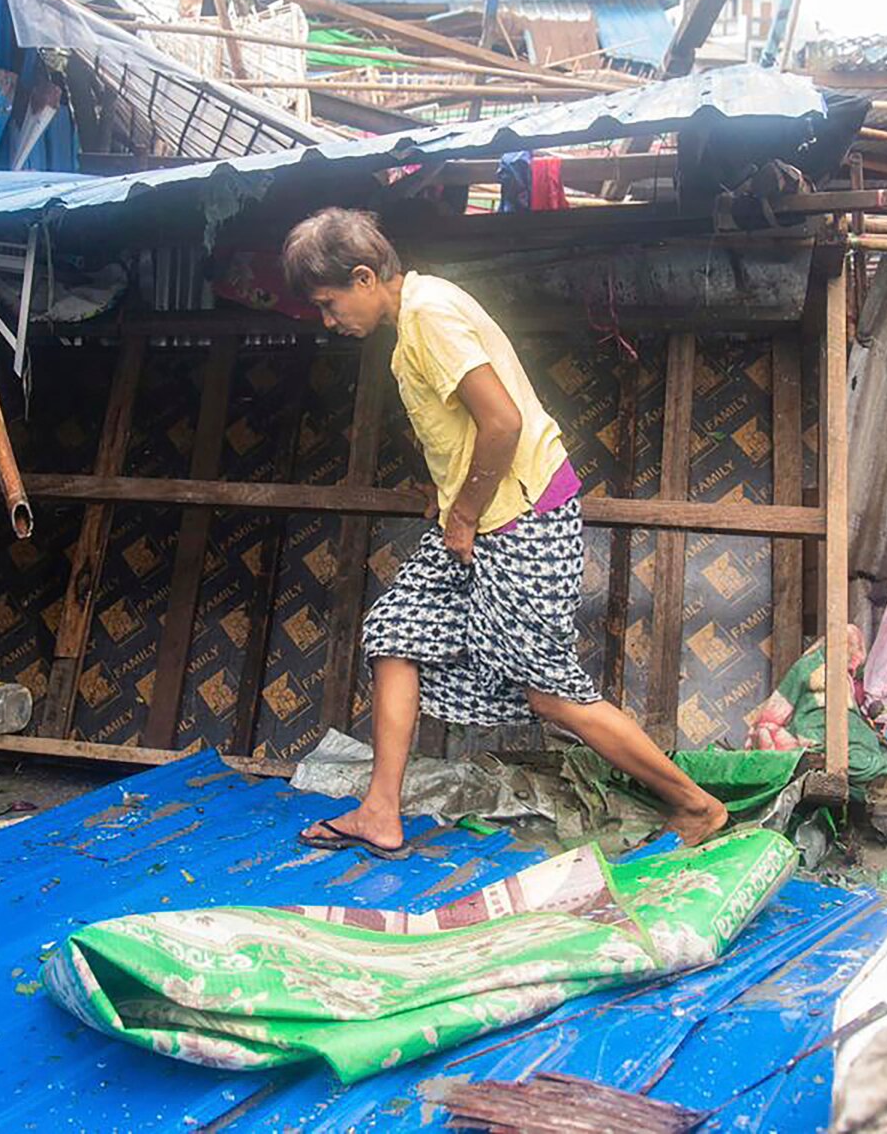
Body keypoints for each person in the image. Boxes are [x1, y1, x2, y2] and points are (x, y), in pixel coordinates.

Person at [280, 208, 728, 858]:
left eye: (329, 303)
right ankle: (381, 811)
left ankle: (697, 805)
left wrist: (462, 513)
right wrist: (450, 498)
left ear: (365, 276)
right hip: (482, 516)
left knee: (551, 694)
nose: (329, 320)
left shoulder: (429, 316)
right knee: (395, 634)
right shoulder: (416, 315)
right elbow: (466, 431)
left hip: (521, 520)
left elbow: (502, 422)